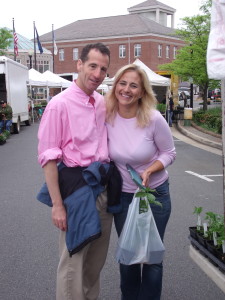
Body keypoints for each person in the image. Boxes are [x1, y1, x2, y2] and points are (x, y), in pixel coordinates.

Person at [37, 43, 113, 300]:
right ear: (79, 65)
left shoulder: (101, 102)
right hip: (78, 193)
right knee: (73, 265)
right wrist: (57, 205)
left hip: (103, 189)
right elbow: (48, 158)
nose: (97, 73)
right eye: (92, 66)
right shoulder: (59, 105)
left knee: (94, 265)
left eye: (103, 69)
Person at [106, 64, 176, 300]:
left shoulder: (153, 118)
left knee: (152, 257)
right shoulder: (107, 115)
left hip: (154, 194)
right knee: (128, 256)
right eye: (122, 83)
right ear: (115, 86)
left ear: (142, 91)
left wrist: (150, 169)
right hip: (124, 198)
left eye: (133, 85)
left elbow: (169, 153)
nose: (126, 89)